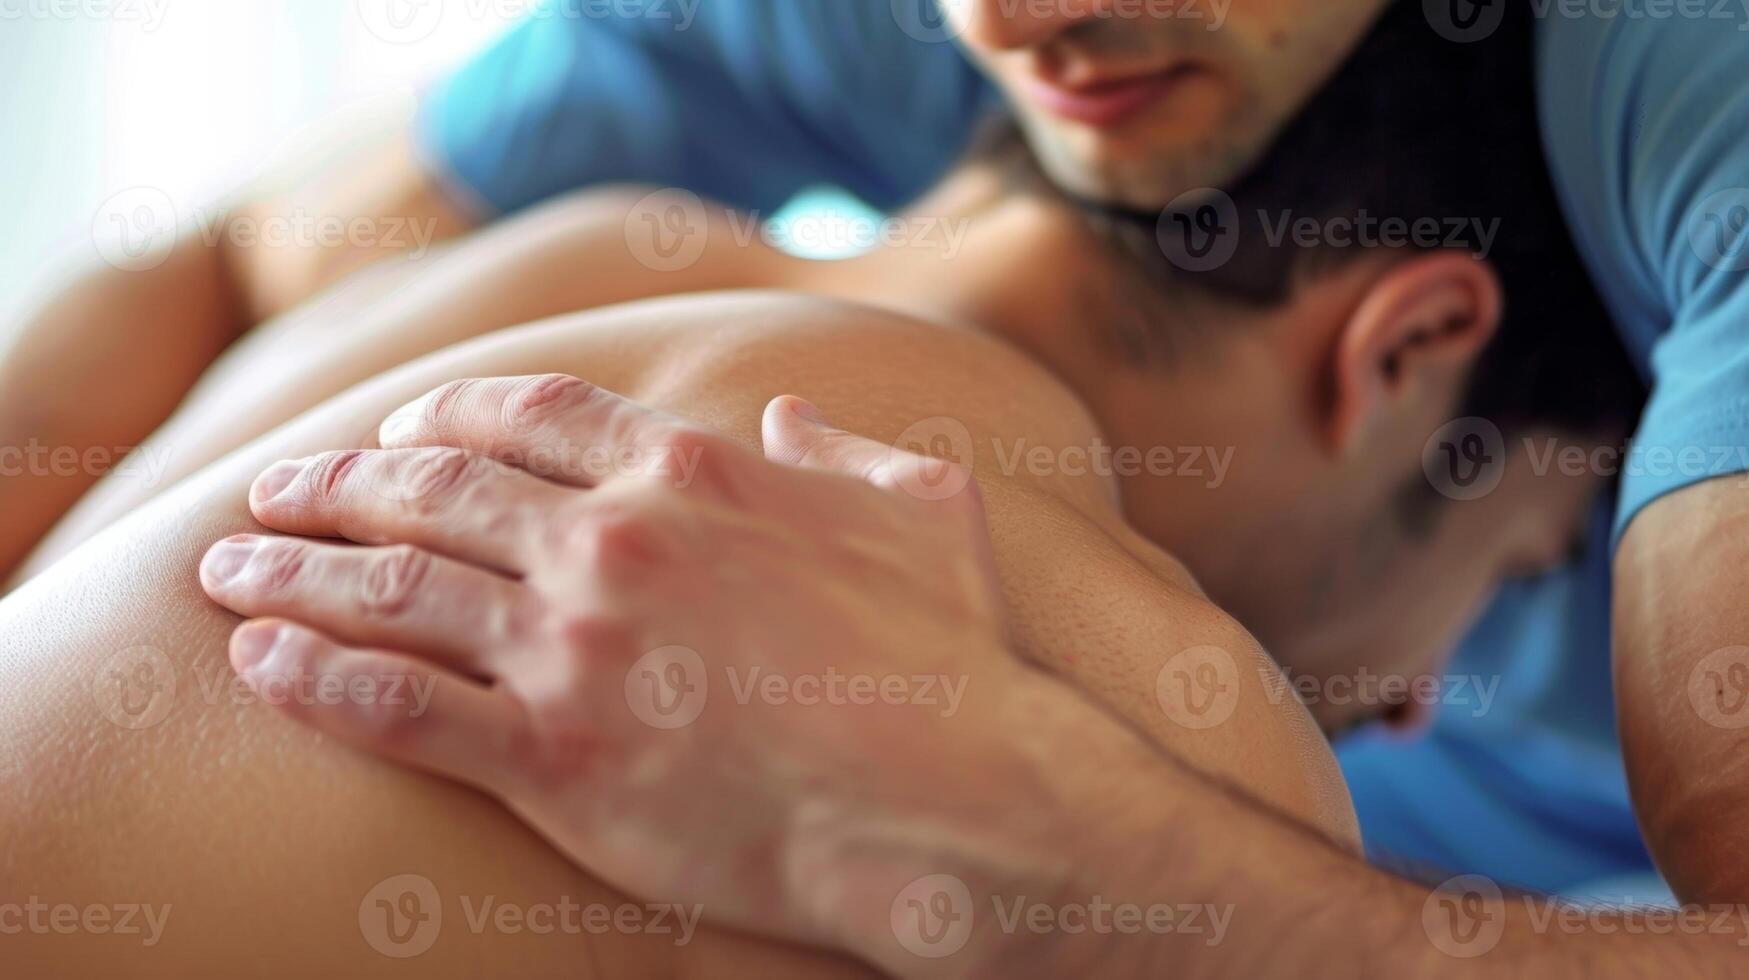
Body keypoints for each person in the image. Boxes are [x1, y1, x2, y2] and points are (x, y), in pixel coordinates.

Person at [0, 11, 1668, 975]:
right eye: (1510, 559)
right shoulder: (1110, 708)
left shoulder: (527, 269)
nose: (1403, 716)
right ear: (1406, 349)